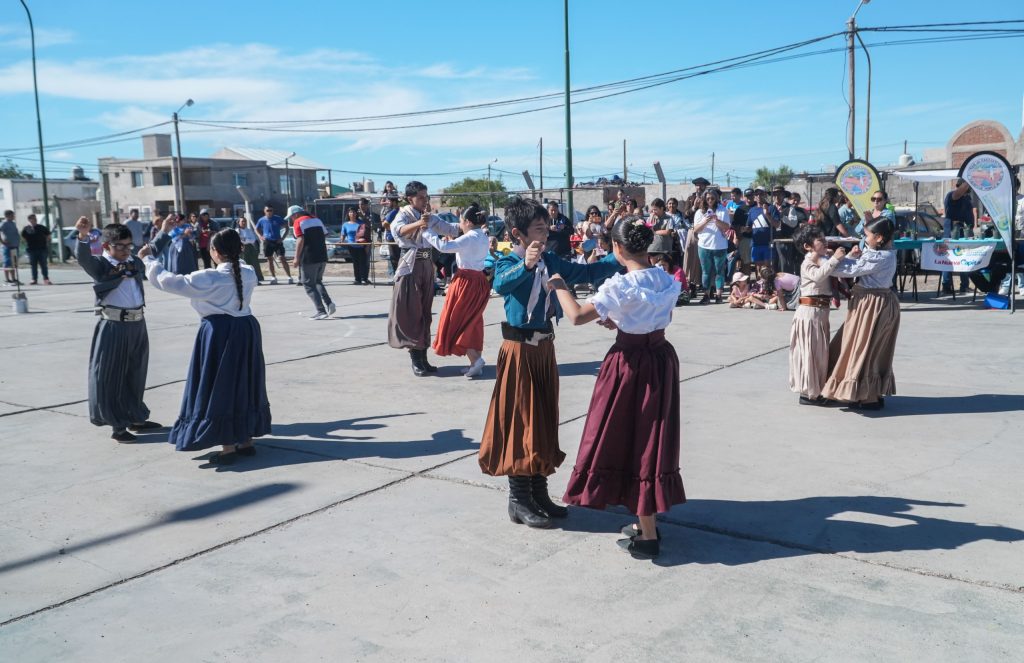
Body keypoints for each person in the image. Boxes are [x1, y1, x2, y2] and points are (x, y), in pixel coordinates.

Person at [478, 197, 622, 530]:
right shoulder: (506, 261)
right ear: (518, 233)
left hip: (544, 350)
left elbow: (587, 271)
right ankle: (519, 499)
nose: (546, 234)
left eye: (546, 227)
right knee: (520, 424)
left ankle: (539, 493)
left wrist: (620, 257)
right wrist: (525, 265)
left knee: (542, 420)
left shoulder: (552, 259)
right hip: (519, 351)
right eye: (539, 229)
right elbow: (500, 284)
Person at [548, 218, 685, 559]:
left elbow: (578, 316)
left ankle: (648, 534)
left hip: (630, 365)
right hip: (660, 359)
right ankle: (644, 521)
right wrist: (621, 319)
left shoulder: (622, 286)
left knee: (628, 439)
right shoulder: (665, 279)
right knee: (650, 439)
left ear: (618, 249)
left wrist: (560, 284)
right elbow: (647, 316)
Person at [140, 226, 270, 465]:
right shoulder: (249, 271)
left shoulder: (209, 278)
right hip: (246, 329)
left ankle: (228, 447)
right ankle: (246, 440)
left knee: (219, 385)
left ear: (215, 251)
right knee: (244, 382)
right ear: (240, 249)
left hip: (219, 333)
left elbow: (167, 281)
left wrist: (148, 259)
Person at [73, 217, 160, 442]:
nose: (125, 250)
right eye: (119, 246)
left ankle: (136, 417)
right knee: (112, 376)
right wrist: (82, 237)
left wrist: (166, 231)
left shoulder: (132, 262)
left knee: (136, 373)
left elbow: (149, 251)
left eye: (128, 245)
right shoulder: (101, 266)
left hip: (137, 325)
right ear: (106, 246)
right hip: (114, 326)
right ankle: (118, 425)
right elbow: (83, 259)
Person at [822, 216, 899, 410]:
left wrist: (836, 259)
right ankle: (864, 392)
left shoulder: (881, 256)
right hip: (870, 303)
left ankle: (867, 394)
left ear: (879, 238)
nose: (864, 240)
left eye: (867, 236)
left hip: (873, 305)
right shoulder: (878, 253)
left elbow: (847, 270)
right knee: (858, 344)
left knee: (865, 347)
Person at [387, 181, 450, 376]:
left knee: (425, 313)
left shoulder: (428, 216)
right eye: (421, 197)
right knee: (412, 312)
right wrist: (419, 223)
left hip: (426, 266)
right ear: (410, 198)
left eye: (426, 196)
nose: (425, 200)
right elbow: (396, 230)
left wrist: (470, 228)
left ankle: (423, 357)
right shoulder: (404, 214)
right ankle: (415, 358)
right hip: (410, 266)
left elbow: (447, 228)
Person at [422, 204, 491, 377]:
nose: (459, 224)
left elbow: (444, 248)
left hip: (466, 282)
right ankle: (475, 362)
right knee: (473, 322)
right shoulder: (482, 235)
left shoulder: (469, 237)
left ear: (467, 221)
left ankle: (476, 360)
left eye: (460, 221)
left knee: (458, 322)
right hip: (479, 281)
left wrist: (426, 232)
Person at [789, 224, 846, 406]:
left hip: (820, 312)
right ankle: (809, 393)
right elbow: (820, 275)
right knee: (811, 353)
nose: (825, 241)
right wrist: (835, 259)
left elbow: (831, 268)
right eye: (820, 240)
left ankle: (817, 388)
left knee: (820, 353)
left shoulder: (822, 258)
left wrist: (849, 256)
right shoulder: (807, 263)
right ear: (808, 246)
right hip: (809, 313)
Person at [287, 205, 335, 320]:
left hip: (309, 257)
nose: (291, 219)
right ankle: (329, 303)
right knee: (317, 281)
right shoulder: (316, 219)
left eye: (291, 217)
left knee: (308, 284)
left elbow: (300, 239)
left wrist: (296, 258)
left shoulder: (298, 222)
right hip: (322, 256)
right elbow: (325, 234)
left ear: (296, 214)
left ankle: (321, 311)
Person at [694, 188, 730, 304]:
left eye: (712, 198)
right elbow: (696, 230)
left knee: (720, 271)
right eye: (708, 198)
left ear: (716, 199)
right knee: (706, 271)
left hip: (719, 246)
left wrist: (715, 219)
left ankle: (719, 295)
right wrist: (705, 221)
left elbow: (726, 226)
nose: (710, 200)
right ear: (704, 199)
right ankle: (706, 294)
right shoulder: (699, 212)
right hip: (704, 245)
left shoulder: (722, 210)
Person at [941, 179, 976, 294]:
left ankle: (964, 285)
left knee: (964, 258)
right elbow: (958, 192)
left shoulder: (967, 198)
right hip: (952, 232)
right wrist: (969, 179)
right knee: (949, 258)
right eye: (966, 187)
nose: (968, 189)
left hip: (964, 232)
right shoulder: (952, 196)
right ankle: (946, 285)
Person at [255, 205, 293, 284]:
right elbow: (257, 229)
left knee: (282, 258)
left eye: (271, 210)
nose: (269, 212)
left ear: (273, 211)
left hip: (277, 241)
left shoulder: (278, 218)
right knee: (270, 260)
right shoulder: (261, 220)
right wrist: (260, 236)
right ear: (264, 211)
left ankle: (289, 277)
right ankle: (273, 277)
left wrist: (282, 238)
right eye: (268, 210)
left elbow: (287, 227)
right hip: (268, 241)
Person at [20, 213, 52, 285]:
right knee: (33, 265)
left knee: (43, 264)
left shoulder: (41, 227)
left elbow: (48, 235)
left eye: (35, 218)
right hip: (31, 249)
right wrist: (26, 242)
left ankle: (46, 279)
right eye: (32, 218)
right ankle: (34, 279)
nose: (34, 220)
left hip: (42, 249)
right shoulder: (26, 228)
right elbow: (22, 237)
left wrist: (45, 241)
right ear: (29, 220)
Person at [342, 208, 371, 285]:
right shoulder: (345, 224)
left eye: (354, 212)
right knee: (356, 262)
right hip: (352, 246)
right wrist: (341, 241)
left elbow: (367, 229)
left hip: (361, 245)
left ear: (356, 214)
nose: (352, 214)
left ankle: (364, 278)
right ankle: (357, 279)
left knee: (363, 262)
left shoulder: (361, 223)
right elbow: (343, 234)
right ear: (348, 214)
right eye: (350, 212)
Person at [237, 215, 265, 283]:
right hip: (241, 249)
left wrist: (244, 239)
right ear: (239, 222)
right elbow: (238, 240)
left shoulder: (249, 230)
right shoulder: (236, 231)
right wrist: (245, 240)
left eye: (245, 221)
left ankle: (256, 280)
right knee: (244, 264)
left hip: (250, 249)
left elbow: (253, 239)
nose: (244, 223)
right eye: (242, 221)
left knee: (254, 264)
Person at [1, 209, 21, 285]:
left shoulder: (13, 223)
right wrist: (2, 241)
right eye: (12, 215)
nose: (13, 216)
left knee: (14, 263)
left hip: (15, 245)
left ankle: (13, 279)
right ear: (7, 216)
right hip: (8, 246)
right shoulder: (4, 223)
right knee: (7, 262)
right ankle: (7, 279)